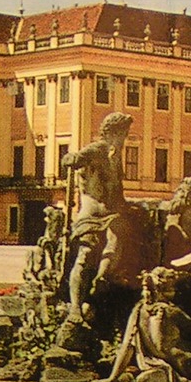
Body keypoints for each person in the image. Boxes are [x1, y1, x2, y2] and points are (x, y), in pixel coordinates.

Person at [60, 111, 134, 329]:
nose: (124, 139)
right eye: (123, 134)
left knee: (117, 237)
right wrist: (72, 159)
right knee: (86, 253)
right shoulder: (98, 149)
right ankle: (75, 307)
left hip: (111, 213)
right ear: (112, 133)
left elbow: (116, 192)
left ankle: (101, 278)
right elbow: (73, 158)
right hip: (91, 214)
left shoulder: (115, 155)